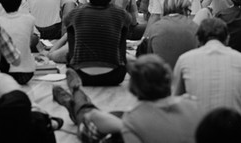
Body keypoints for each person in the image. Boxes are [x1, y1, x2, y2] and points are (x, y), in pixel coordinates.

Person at [53, 56, 201, 143]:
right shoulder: (194, 105)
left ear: (134, 87)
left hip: (123, 128)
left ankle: (75, 98)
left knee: (89, 121)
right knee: (112, 115)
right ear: (168, 79)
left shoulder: (135, 119)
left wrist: (96, 116)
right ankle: (75, 100)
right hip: (131, 122)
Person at [174, 18, 241, 142]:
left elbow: (176, 98)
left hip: (197, 130)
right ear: (227, 38)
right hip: (233, 129)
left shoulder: (184, 59)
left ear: (198, 39)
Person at [64, 0, 130, 86]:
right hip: (114, 76)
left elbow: (66, 22)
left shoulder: (76, 12)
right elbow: (128, 23)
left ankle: (74, 61)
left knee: (71, 30)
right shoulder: (120, 13)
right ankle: (120, 62)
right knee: (123, 30)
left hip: (80, 76)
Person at [144, 0, 198, 69]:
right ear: (185, 9)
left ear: (165, 8)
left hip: (161, 75)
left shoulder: (155, 28)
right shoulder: (195, 27)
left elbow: (149, 56)